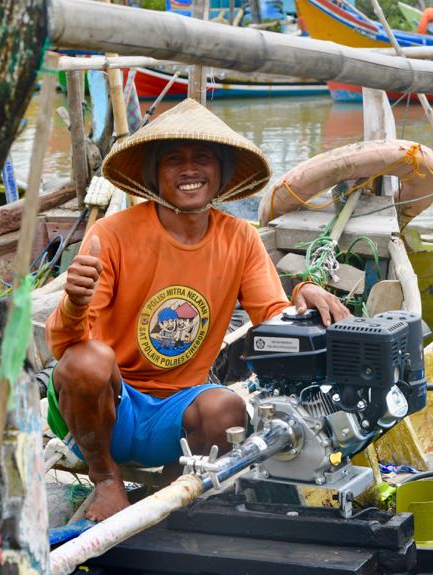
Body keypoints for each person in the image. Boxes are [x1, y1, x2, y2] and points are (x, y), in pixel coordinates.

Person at [45, 99, 350, 521]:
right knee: (88, 363)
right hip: (109, 412)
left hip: (175, 413)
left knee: (227, 406)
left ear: (222, 172)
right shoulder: (113, 234)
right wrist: (75, 302)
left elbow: (273, 318)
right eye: (174, 160)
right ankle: (107, 481)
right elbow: (65, 347)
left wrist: (304, 291)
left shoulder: (240, 238)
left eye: (202, 158)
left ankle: (173, 495)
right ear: (153, 174)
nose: (189, 170)